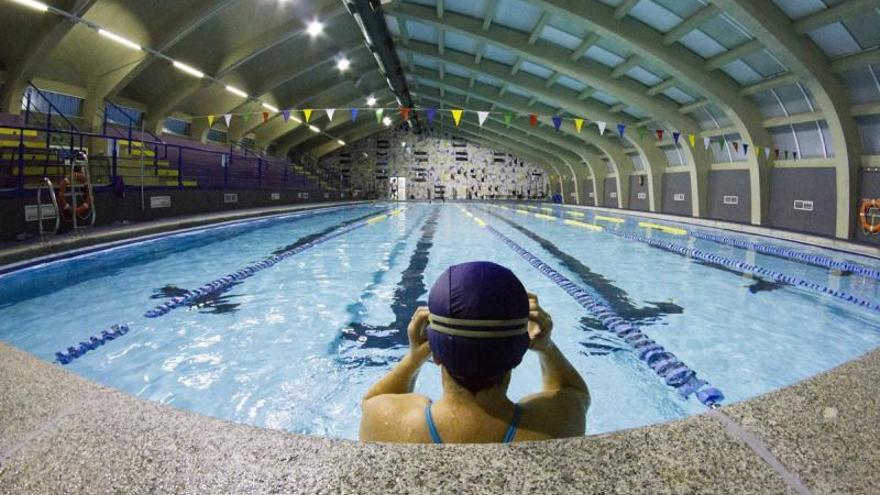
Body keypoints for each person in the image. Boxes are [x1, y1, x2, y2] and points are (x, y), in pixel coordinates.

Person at [359, 261, 589, 443]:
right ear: (519, 355)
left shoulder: (384, 420)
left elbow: (374, 400)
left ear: (436, 354)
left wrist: (413, 358)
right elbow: (574, 391)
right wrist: (546, 346)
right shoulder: (558, 422)